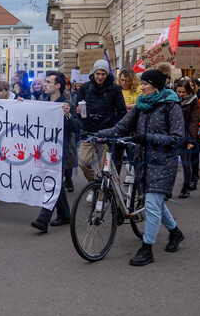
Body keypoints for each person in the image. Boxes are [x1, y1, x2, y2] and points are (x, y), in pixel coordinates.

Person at [96, 70, 186, 266]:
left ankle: (147, 249)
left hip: (164, 161)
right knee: (156, 203)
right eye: (142, 83)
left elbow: (178, 139)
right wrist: (97, 133)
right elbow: (120, 128)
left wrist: (148, 138)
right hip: (142, 161)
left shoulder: (171, 106)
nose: (141, 87)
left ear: (156, 86)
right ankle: (176, 233)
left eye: (145, 84)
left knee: (153, 203)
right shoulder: (141, 105)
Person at [30, 71, 80, 232]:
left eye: (49, 82)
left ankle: (43, 219)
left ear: (58, 85)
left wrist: (66, 116)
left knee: (51, 181)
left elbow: (76, 127)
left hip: (60, 149)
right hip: (43, 148)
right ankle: (65, 214)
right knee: (54, 182)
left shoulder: (66, 104)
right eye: (45, 81)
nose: (45, 84)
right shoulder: (42, 102)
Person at [76, 60, 127, 182]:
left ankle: (100, 196)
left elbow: (121, 111)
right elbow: (76, 109)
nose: (100, 77)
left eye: (103, 74)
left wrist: (113, 127)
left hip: (106, 133)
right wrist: (78, 111)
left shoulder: (115, 89)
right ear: (93, 73)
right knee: (83, 163)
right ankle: (94, 184)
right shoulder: (84, 88)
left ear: (107, 74)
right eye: (97, 73)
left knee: (103, 168)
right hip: (88, 131)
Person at [173, 78, 200, 199]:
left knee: (186, 162)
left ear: (189, 92)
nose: (180, 94)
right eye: (179, 92)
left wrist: (191, 140)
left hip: (186, 135)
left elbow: (194, 122)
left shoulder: (195, 102)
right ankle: (168, 189)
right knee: (171, 164)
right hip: (173, 134)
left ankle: (186, 186)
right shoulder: (172, 100)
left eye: (183, 92)